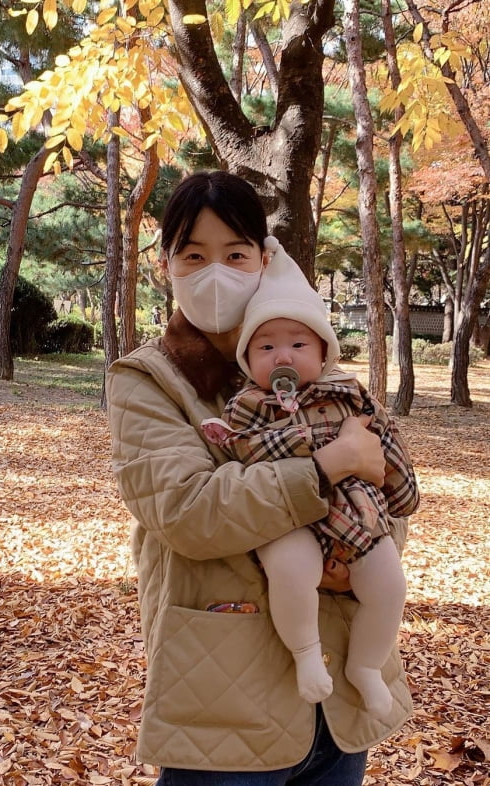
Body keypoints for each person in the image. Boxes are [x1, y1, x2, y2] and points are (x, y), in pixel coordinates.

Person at [106, 171, 413, 785]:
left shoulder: (318, 370)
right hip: (226, 697)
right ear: (167, 265)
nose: (214, 271)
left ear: (264, 259)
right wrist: (326, 468)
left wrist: (355, 557)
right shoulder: (150, 381)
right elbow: (189, 512)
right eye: (193, 255)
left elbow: (388, 491)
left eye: (235, 254)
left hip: (339, 701)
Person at [200, 241, 419, 722]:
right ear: (248, 360)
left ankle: (366, 665)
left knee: (389, 588)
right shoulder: (247, 407)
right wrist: (318, 449)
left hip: (358, 515)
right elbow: (245, 453)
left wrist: (402, 497)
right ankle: (304, 653)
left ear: (323, 353)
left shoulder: (352, 395)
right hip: (289, 518)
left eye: (298, 344)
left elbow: (385, 447)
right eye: (266, 347)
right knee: (291, 571)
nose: (284, 355)